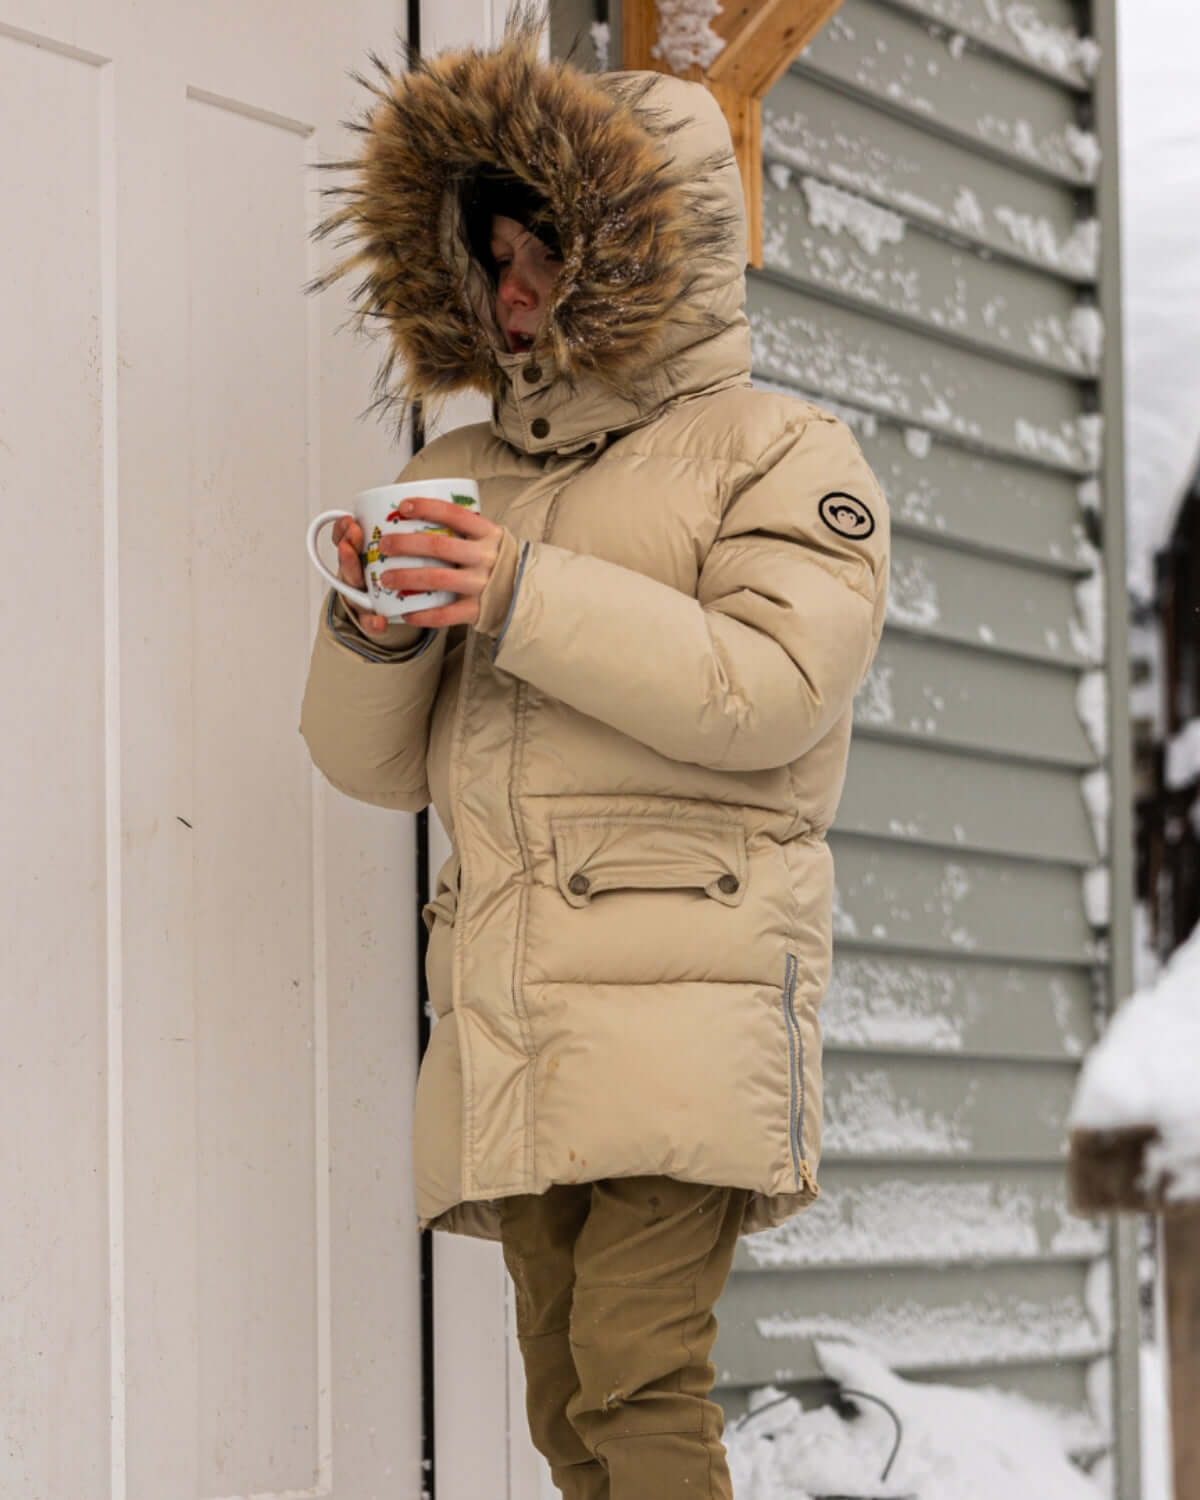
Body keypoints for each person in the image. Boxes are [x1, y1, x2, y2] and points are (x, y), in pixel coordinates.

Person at [301, 11, 890, 1499]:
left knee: (637, 1380)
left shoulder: (780, 452)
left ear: (637, 252)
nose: (513, 293)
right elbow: (372, 769)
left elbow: (769, 691)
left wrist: (518, 591)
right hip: (516, 1004)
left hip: (687, 988)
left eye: (545, 255)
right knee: (567, 1408)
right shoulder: (460, 472)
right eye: (492, 259)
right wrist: (379, 625)